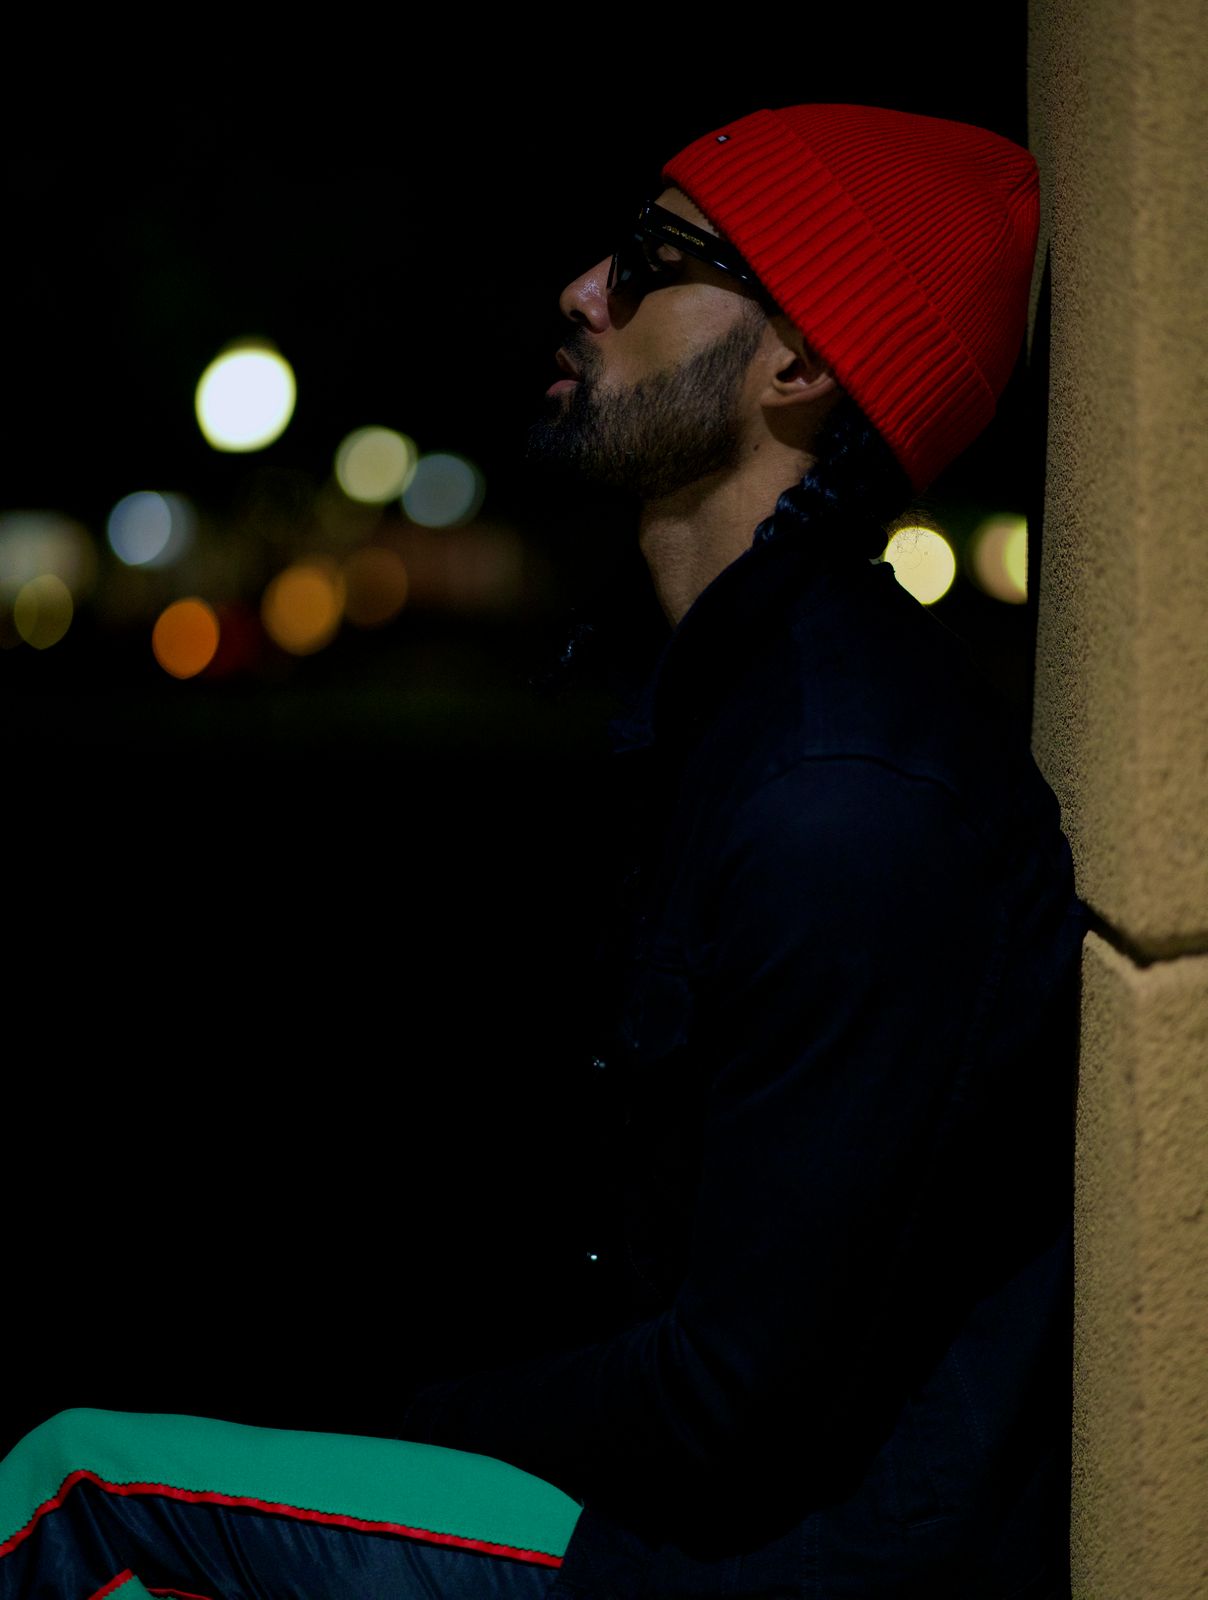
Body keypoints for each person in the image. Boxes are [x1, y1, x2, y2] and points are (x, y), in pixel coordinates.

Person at [0, 104, 1087, 1600]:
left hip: (757, 1571)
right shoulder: (734, 707)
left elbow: (735, 1399)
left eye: (652, 261)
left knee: (71, 1501)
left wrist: (399, 1432)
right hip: (691, 1525)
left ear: (801, 361)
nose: (584, 291)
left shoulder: (844, 797)